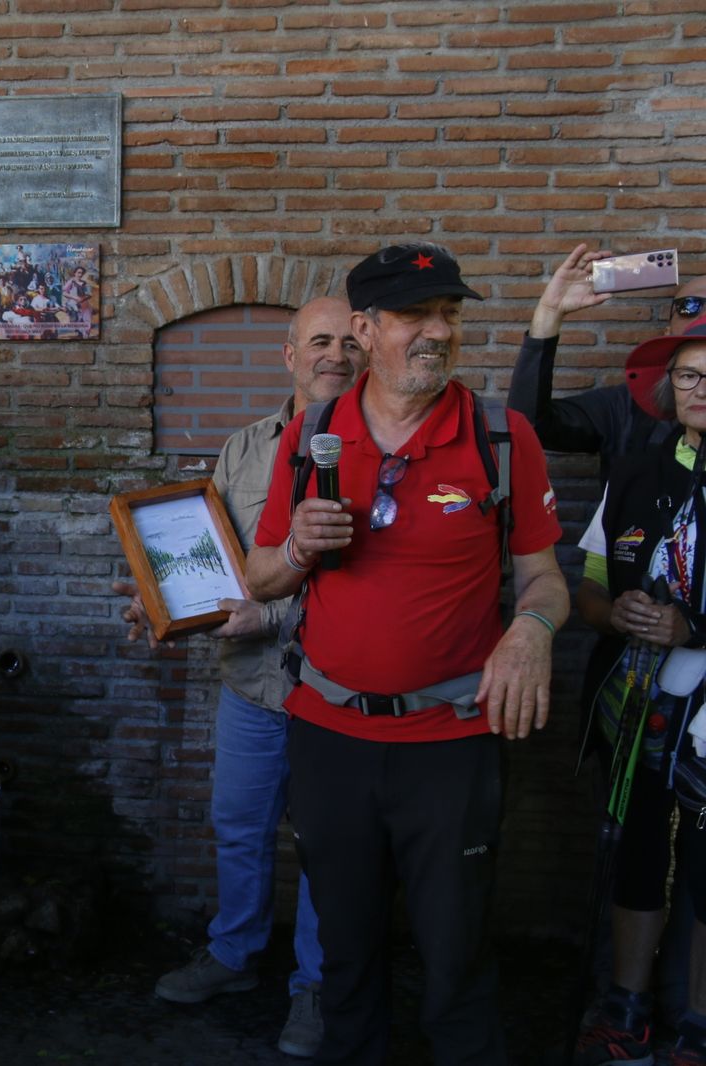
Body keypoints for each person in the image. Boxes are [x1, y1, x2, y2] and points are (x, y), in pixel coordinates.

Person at [247, 243, 568, 1064]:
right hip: (329, 737)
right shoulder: (313, 432)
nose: (438, 332)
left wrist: (532, 631)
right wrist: (299, 554)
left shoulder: (501, 435)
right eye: (414, 316)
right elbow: (261, 575)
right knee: (347, 954)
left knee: (457, 951)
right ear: (364, 328)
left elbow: (543, 579)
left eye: (450, 315)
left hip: (451, 744)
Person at [119, 296, 364, 1059]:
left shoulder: (381, 446)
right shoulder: (245, 449)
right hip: (253, 685)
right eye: (318, 341)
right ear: (288, 356)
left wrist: (276, 620)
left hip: (338, 691)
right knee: (240, 827)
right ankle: (232, 954)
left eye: (349, 343)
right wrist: (165, 602)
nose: (335, 355)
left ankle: (318, 987)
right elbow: (215, 560)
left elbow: (370, 585)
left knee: (328, 842)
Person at [569, 320, 706, 1065]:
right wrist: (611, 613)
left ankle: (697, 1025)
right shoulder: (635, 474)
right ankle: (627, 1011)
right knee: (638, 850)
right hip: (637, 703)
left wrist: (694, 626)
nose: (700, 390)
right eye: (688, 376)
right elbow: (589, 586)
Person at [509, 242, 706, 481]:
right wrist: (549, 313)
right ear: (666, 334)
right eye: (690, 307)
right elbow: (528, 424)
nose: (702, 318)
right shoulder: (622, 410)